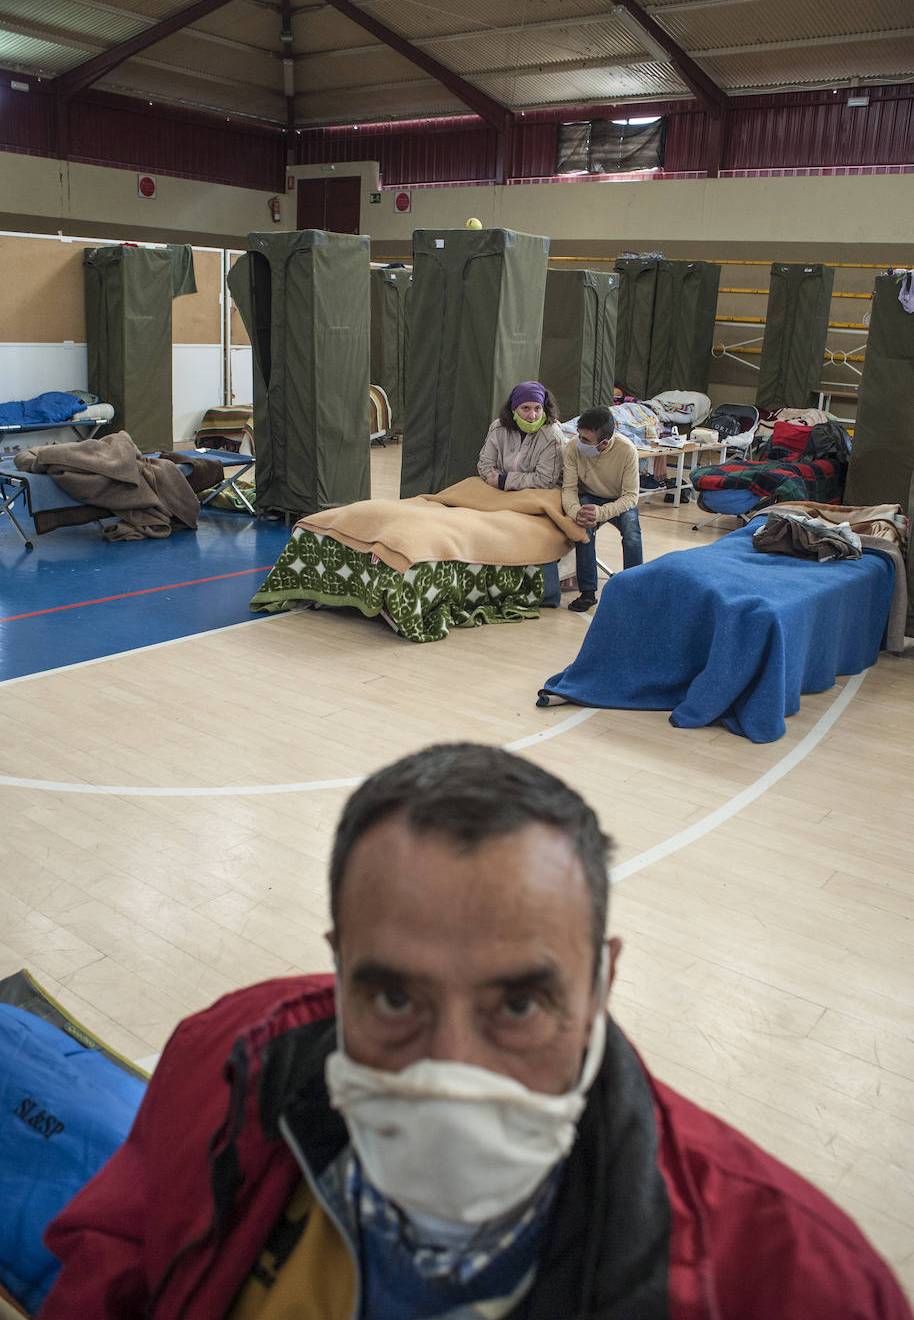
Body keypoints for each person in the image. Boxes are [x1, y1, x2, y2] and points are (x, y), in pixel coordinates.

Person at [38, 744, 913, 1320]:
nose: (450, 1073)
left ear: (601, 984)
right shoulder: (228, 1060)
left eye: (518, 1007)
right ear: (339, 968)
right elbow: (119, 1259)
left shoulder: (799, 1281)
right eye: (394, 1000)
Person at [477, 381, 565, 607]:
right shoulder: (498, 428)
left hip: (541, 494)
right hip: (500, 491)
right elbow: (485, 466)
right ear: (513, 409)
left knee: (538, 530)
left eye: (537, 408)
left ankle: (545, 593)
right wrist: (502, 482)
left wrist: (504, 480)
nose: (532, 415)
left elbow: (545, 480)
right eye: (525, 408)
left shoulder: (552, 435)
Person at [562, 405, 643, 612]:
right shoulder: (572, 448)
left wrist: (601, 513)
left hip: (619, 499)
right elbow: (569, 489)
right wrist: (576, 512)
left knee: (632, 533)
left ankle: (635, 589)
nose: (579, 442)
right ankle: (587, 593)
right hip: (588, 496)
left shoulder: (627, 451)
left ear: (604, 442)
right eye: (579, 435)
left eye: (586, 439)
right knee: (584, 531)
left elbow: (631, 497)